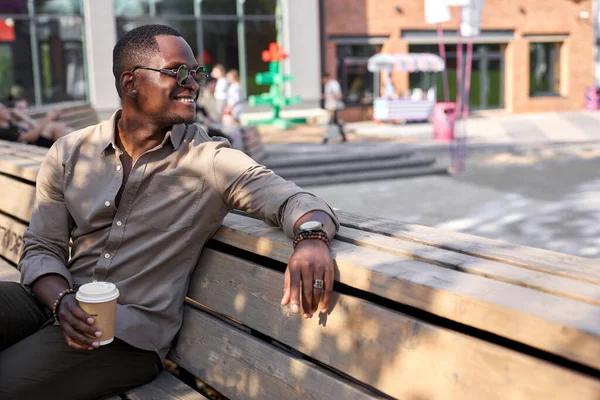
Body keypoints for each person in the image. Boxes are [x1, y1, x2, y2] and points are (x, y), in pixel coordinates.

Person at [0, 24, 339, 400]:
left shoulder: (210, 161)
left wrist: (311, 239)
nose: (193, 84)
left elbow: (295, 200)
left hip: (127, 337)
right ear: (131, 83)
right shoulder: (69, 152)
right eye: (178, 72)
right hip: (53, 301)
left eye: (197, 74)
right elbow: (42, 248)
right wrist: (62, 301)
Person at [0, 102, 66, 147]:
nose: (6, 110)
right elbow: (30, 137)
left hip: (35, 144)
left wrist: (23, 116)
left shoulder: (11, 124)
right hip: (31, 148)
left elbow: (36, 127)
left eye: (5, 108)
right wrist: (48, 118)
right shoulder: (3, 131)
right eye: (2, 109)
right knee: (54, 127)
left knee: (58, 127)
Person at [322, 73, 347, 144]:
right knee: (335, 122)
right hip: (330, 106)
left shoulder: (333, 84)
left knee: (330, 122)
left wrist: (331, 96)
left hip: (333, 106)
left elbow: (338, 95)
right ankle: (343, 136)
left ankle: (325, 138)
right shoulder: (328, 85)